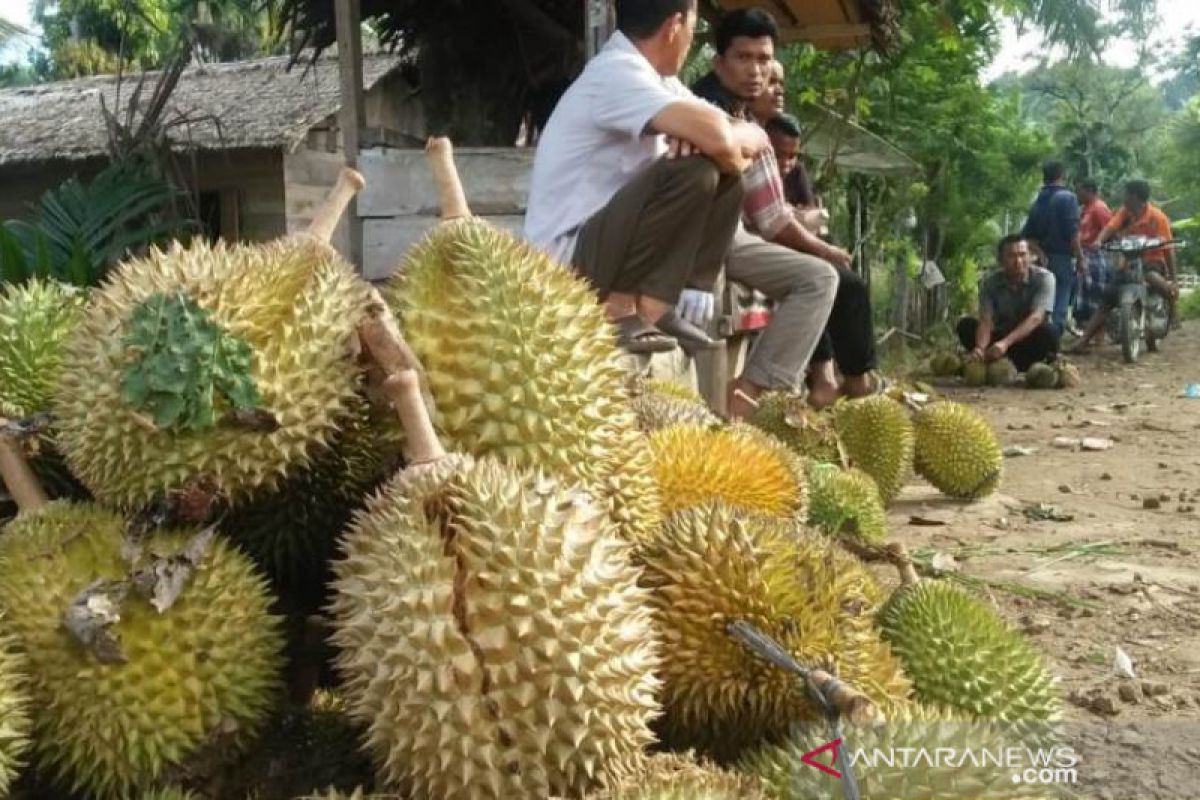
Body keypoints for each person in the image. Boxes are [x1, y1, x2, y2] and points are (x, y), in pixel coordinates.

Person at [524, 0, 767, 355]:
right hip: (565, 261)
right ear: (673, 27)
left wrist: (718, 142)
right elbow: (721, 140)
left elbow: (752, 136)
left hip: (607, 246)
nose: (689, 40)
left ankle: (658, 307)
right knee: (695, 169)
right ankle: (621, 311)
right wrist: (716, 144)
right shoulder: (616, 74)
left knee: (726, 176)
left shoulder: (659, 81)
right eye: (692, 30)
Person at [685, 8, 842, 417]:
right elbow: (772, 220)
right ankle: (754, 395)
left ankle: (759, 389)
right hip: (705, 239)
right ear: (719, 62)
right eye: (743, 58)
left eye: (763, 59)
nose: (756, 70)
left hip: (731, 234)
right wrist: (820, 248)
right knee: (821, 277)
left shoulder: (745, 116)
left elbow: (770, 214)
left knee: (825, 277)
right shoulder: (704, 109)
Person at [1069, 179, 1178, 351]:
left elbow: (1169, 249)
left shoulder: (1158, 217)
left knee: (1151, 276)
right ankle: (1083, 341)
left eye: (1126, 193)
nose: (1123, 196)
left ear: (1134, 196)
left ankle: (1171, 297)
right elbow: (1110, 228)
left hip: (1152, 260)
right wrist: (1099, 240)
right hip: (1128, 262)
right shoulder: (1124, 212)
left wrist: (1173, 277)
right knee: (1107, 298)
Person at [957, 234, 1060, 372]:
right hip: (1001, 335)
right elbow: (986, 319)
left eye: (1023, 255)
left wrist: (1005, 343)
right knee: (965, 325)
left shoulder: (1045, 278)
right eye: (1011, 256)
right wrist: (980, 347)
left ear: (1030, 256)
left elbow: (1036, 317)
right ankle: (991, 359)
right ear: (1001, 260)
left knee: (1050, 333)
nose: (1018, 261)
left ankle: (1017, 363)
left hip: (1027, 338)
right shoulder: (990, 283)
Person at [1020, 161, 1084, 336]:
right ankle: (1053, 341)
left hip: (1041, 260)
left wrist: (1040, 253)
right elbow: (1073, 233)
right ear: (1062, 176)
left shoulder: (1038, 201)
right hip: (1062, 258)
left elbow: (1027, 235)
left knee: (1042, 301)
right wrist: (1080, 258)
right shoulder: (1068, 197)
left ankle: (1038, 338)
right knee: (1060, 302)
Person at [1073, 177, 1114, 327]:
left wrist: (1099, 244)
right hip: (1084, 254)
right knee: (1082, 292)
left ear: (1089, 191)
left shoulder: (1100, 208)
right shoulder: (1084, 209)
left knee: (1095, 293)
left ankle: (1098, 331)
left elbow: (1110, 231)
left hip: (1096, 257)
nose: (1078, 194)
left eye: (1080, 191)